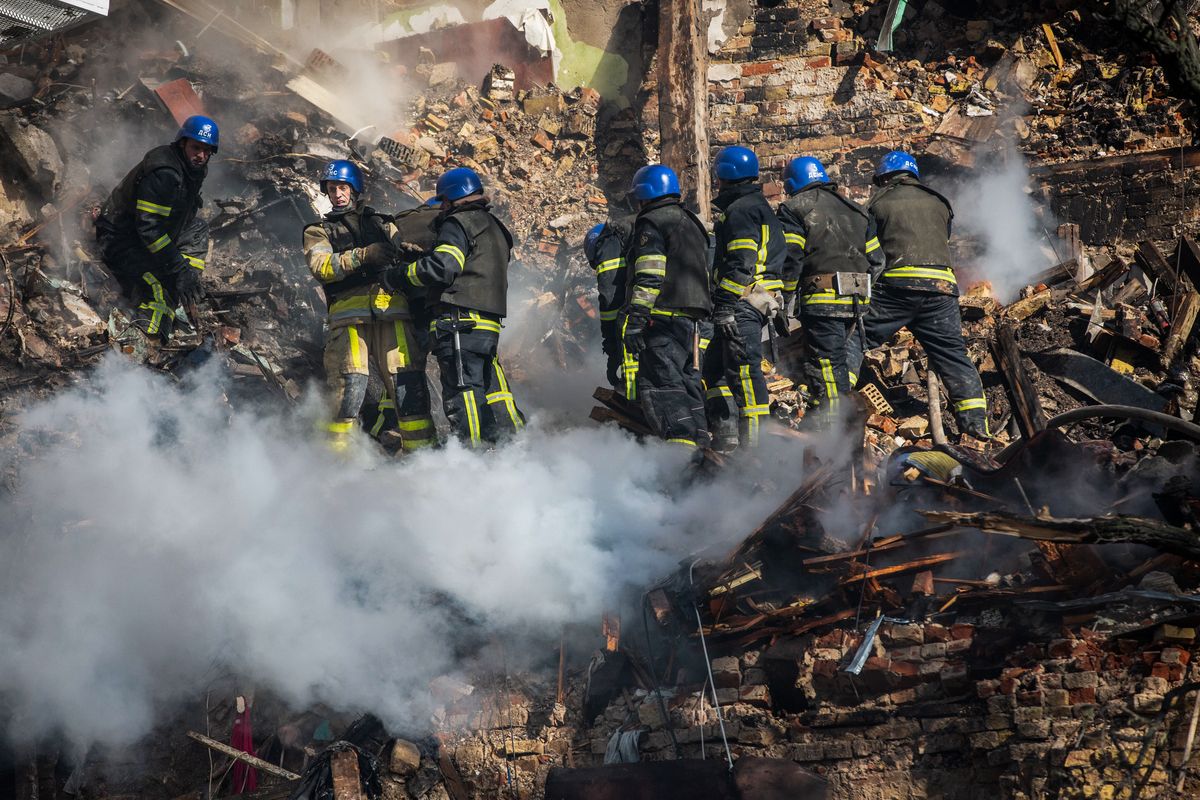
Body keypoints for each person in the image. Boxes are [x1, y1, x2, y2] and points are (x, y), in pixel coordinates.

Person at [852, 150, 990, 439]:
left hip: (896, 289)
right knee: (954, 357)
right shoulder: (940, 201)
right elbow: (944, 239)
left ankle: (836, 404)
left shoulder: (877, 202)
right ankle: (976, 429)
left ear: (885, 178)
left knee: (855, 338)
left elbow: (870, 252)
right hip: (941, 291)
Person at [303, 159, 435, 453]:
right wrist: (364, 255)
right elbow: (321, 265)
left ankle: (424, 461)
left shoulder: (382, 223)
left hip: (392, 313)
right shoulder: (319, 230)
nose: (338, 194)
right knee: (348, 389)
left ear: (355, 189)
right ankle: (336, 462)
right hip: (349, 319)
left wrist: (407, 255)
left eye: (343, 187)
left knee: (408, 387)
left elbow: (401, 254)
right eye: (332, 188)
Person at [386, 167, 525, 448]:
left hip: (460, 320)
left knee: (464, 393)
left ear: (450, 198)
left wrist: (400, 275)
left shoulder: (458, 222)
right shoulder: (495, 227)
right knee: (492, 390)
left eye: (444, 201)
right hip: (488, 323)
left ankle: (472, 458)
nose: (442, 207)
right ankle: (515, 449)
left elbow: (444, 267)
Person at [776, 156, 882, 427]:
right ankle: (836, 419)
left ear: (792, 184)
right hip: (857, 302)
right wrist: (863, 287)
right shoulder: (857, 210)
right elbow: (878, 260)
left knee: (825, 364)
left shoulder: (793, 208)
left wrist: (785, 298)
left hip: (821, 300)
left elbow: (792, 257)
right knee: (840, 363)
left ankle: (834, 429)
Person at [95, 114, 217, 341]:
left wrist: (186, 273)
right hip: (119, 237)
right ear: (183, 143)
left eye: (207, 151)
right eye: (196, 148)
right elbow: (149, 229)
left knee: (198, 230)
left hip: (149, 233)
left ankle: (186, 286)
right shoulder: (164, 173)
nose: (201, 156)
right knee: (162, 287)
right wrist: (178, 269)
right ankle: (148, 341)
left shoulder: (193, 168)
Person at [621, 164, 712, 449]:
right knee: (688, 387)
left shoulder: (652, 221)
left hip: (662, 323)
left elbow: (650, 274)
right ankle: (702, 453)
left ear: (645, 194)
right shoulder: (692, 222)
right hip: (693, 324)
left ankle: (681, 462)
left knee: (664, 390)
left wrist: (636, 319)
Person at [709, 146, 787, 448]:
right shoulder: (759, 207)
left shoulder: (741, 211)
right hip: (756, 301)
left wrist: (725, 306)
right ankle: (726, 433)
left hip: (742, 303)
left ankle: (754, 449)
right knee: (716, 368)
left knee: (744, 372)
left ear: (723, 175)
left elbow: (742, 262)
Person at [583, 217, 636, 396]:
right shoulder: (630, 236)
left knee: (634, 360)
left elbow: (610, 297)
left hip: (642, 312)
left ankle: (633, 401)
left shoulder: (607, 244)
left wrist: (612, 344)